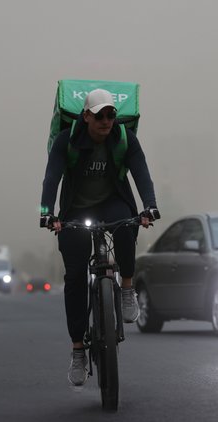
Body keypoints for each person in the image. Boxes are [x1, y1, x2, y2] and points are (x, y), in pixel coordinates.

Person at [39, 88, 160, 386]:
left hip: (112, 201)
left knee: (126, 226)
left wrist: (150, 206)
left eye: (111, 115)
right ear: (86, 116)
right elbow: (52, 177)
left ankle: (127, 289)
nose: (106, 121)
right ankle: (78, 350)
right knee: (76, 276)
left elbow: (141, 173)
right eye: (100, 116)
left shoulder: (124, 139)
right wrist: (47, 213)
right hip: (75, 208)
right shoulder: (67, 141)